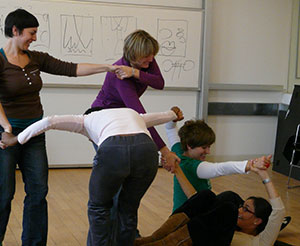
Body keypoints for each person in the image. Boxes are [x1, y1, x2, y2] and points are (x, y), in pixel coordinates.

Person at [0, 8, 118, 246]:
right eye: (31, 33)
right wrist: (6, 128)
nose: (34, 38)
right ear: (15, 30)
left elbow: (71, 68)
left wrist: (107, 68)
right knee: (4, 195)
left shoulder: (36, 58)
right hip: (7, 135)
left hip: (35, 133)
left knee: (38, 191)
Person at [1, 106, 184, 246]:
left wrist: (16, 139)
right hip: (147, 152)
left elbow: (49, 121)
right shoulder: (132, 113)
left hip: (113, 152)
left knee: (98, 208)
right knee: (128, 209)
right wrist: (174, 113)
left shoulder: (85, 120)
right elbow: (162, 116)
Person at [134, 155, 286, 246]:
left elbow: (279, 211)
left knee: (228, 209)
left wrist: (263, 175)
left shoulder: (262, 242)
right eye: (242, 206)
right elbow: (195, 199)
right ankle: (154, 239)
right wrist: (177, 170)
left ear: (257, 221)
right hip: (195, 238)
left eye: (245, 209)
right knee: (207, 195)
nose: (240, 210)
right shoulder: (229, 226)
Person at [90, 29, 178, 171]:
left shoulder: (147, 61)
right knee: (113, 167)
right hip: (103, 118)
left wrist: (135, 72)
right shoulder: (119, 75)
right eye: (146, 56)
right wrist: (165, 151)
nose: (150, 59)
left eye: (152, 55)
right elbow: (140, 116)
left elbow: (159, 83)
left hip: (122, 115)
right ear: (133, 55)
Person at [165, 119, 273, 212]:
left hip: (195, 210)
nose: (208, 151)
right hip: (190, 217)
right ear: (189, 146)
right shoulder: (191, 166)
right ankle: (261, 221)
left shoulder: (179, 150)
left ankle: (261, 218)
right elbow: (220, 169)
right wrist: (250, 164)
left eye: (209, 147)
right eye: (204, 147)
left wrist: (173, 118)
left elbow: (170, 129)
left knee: (230, 198)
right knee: (229, 200)